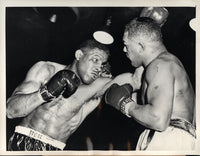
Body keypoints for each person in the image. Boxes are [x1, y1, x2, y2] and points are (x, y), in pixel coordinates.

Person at [104, 17, 196, 150]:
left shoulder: (159, 66)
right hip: (175, 137)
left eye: (126, 44)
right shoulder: (168, 63)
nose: (124, 50)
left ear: (140, 46)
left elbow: (158, 119)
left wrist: (125, 104)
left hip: (168, 139)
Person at [6, 39, 112, 151]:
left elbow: (129, 81)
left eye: (102, 65)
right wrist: (46, 93)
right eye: (95, 60)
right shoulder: (47, 70)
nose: (98, 68)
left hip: (55, 149)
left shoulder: (95, 89)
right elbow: (10, 111)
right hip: (23, 141)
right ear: (79, 55)